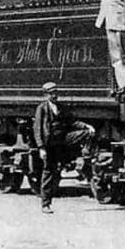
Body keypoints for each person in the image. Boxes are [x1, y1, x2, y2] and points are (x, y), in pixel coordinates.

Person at [33, 81, 95, 213]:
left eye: (55, 93)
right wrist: (41, 148)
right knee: (49, 171)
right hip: (50, 144)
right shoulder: (42, 108)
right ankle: (45, 204)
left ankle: (85, 156)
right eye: (51, 94)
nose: (54, 96)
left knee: (86, 133)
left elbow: (72, 122)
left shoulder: (62, 107)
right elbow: (37, 129)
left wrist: (86, 126)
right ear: (46, 95)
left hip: (63, 140)